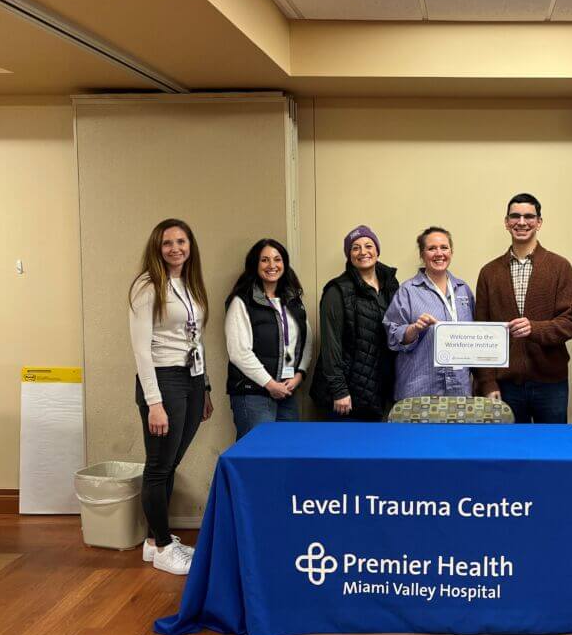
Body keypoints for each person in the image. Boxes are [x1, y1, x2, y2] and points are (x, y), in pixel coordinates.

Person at [128, 218, 213, 576]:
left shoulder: (190, 284)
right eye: (167, 243)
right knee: (158, 466)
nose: (175, 248)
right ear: (157, 248)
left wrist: (205, 387)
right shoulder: (147, 286)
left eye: (181, 241)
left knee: (169, 464)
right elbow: (141, 350)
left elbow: (195, 339)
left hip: (191, 379)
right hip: (164, 381)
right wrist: (154, 402)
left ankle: (153, 541)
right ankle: (163, 546)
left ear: (190, 246)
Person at [474, 193, 572, 423]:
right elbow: (481, 332)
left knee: (551, 445)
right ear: (506, 222)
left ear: (539, 222)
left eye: (529, 217)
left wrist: (534, 328)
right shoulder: (489, 273)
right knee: (508, 446)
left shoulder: (560, 267)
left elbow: (569, 322)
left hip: (551, 385)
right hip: (505, 385)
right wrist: (488, 382)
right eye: (515, 216)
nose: (521, 222)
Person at [224, 239, 311, 439]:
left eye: (277, 259)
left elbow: (306, 342)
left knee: (288, 450)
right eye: (264, 260)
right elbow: (239, 352)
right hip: (254, 393)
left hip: (287, 392)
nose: (272, 265)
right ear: (255, 264)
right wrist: (270, 384)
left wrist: (299, 374)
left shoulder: (293, 300)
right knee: (257, 452)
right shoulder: (242, 301)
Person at [310, 225, 399, 420]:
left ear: (377, 250)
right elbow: (330, 344)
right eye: (355, 248)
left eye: (368, 245)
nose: (363, 252)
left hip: (377, 390)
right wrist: (339, 390)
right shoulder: (337, 291)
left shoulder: (391, 285)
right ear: (349, 255)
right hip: (345, 396)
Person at [383, 227, 475, 400]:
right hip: (419, 390)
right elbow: (393, 336)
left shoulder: (463, 290)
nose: (439, 253)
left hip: (458, 389)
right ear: (422, 254)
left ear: (451, 252)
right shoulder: (408, 291)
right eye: (432, 248)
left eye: (444, 247)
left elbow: (475, 336)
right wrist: (414, 329)